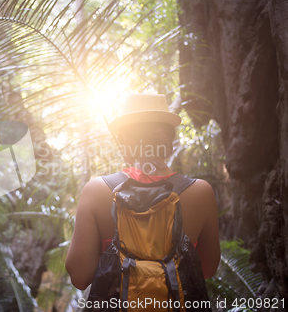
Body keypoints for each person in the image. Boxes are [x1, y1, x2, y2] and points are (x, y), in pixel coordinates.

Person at [65, 93, 220, 291]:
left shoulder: (97, 191)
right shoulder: (201, 193)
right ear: (169, 142)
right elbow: (206, 270)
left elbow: (79, 277)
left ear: (124, 142)